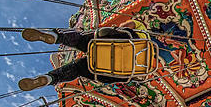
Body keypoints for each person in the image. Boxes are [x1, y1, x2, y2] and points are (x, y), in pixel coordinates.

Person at [17, 26, 147, 90]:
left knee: (83, 44)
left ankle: (58, 39)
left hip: (122, 51)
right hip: (129, 61)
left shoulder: (138, 28)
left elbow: (129, 25)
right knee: (81, 64)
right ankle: (51, 77)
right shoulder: (144, 36)